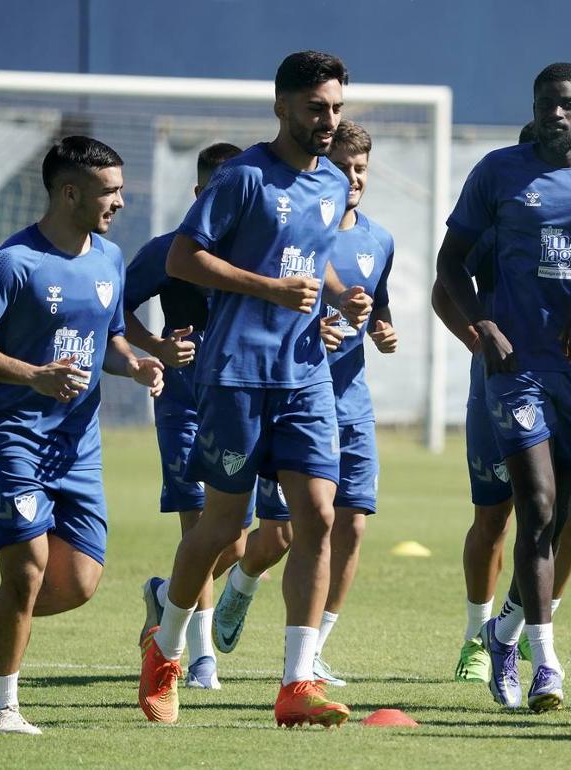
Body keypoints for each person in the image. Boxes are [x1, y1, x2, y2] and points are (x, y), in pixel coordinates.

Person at [136, 50, 371, 727]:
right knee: (219, 529)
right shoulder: (242, 177)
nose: (328, 121)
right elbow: (186, 257)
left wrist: (341, 299)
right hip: (237, 374)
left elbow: (312, 258)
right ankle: (168, 647)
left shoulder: (331, 182)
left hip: (304, 376)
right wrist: (269, 288)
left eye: (336, 108)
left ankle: (297, 683)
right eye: (315, 108)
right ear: (282, 107)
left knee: (318, 517)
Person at [436, 62, 571, 711]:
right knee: (532, 504)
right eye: (544, 104)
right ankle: (546, 662)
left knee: (564, 511)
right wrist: (482, 325)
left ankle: (503, 636)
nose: (554, 114)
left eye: (566, 104)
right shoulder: (498, 173)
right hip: (515, 370)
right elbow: (450, 264)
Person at [0, 136, 164, 734]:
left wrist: (137, 364)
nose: (121, 202)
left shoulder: (108, 258)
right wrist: (32, 376)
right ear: (68, 192)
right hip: (15, 437)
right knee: (27, 568)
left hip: (78, 448)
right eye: (110, 191)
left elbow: (108, 342)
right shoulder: (14, 263)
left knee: (76, 584)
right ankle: (2, 709)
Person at [209, 119, 397, 688]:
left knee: (352, 526)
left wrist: (382, 328)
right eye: (345, 168)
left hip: (350, 403)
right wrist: (318, 325)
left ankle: (311, 656)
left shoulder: (379, 238)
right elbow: (281, 293)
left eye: (363, 169)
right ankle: (238, 582)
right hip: (286, 392)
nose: (355, 179)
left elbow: (373, 304)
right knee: (283, 534)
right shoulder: (291, 223)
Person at [432, 122, 571, 684]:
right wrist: (482, 343)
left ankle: (524, 621)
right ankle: (476, 635)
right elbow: (444, 286)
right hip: (504, 386)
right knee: (495, 515)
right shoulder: (501, 205)